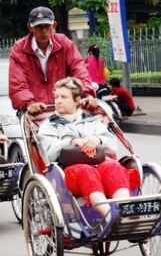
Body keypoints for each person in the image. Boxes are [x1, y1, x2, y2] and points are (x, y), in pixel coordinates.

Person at [37, 77, 130, 218]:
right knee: (86, 171)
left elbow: (112, 145)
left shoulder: (92, 121)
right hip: (67, 172)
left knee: (114, 167)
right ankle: (110, 216)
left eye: (64, 97)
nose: (58, 101)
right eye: (56, 97)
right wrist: (71, 142)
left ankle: (126, 210)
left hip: (99, 164)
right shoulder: (48, 125)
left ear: (77, 100)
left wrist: (97, 139)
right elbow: (48, 154)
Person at [9, 7, 96, 114]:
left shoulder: (64, 43)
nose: (43, 31)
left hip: (64, 109)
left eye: (46, 26)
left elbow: (79, 71)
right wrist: (29, 103)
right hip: (34, 114)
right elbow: (17, 82)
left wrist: (87, 94)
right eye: (38, 26)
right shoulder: (19, 49)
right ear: (30, 27)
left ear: (54, 25)